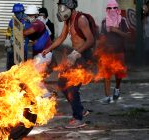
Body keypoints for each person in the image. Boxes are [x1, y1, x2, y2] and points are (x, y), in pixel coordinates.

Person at [42, 0, 94, 128]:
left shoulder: (81, 20)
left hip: (84, 57)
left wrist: (75, 54)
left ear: (70, 6)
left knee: (72, 87)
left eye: (62, 7)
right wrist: (49, 48)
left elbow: (91, 40)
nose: (60, 10)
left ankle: (78, 118)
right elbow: (61, 38)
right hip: (75, 57)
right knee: (62, 83)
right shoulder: (68, 20)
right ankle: (80, 109)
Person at [99, 0, 131, 104]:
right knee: (106, 75)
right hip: (107, 53)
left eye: (114, 8)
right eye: (109, 8)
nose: (112, 10)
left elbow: (128, 35)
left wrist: (116, 30)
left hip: (119, 52)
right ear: (106, 10)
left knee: (119, 74)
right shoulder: (104, 22)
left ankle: (117, 89)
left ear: (118, 9)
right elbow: (102, 36)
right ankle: (107, 96)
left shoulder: (122, 20)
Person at [23, 5, 53, 71]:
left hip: (44, 54)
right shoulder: (32, 24)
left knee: (35, 74)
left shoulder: (38, 24)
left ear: (36, 15)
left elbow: (25, 33)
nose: (29, 17)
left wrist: (18, 28)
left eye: (31, 15)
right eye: (28, 15)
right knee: (34, 73)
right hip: (39, 54)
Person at [5, 3, 30, 70]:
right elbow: (8, 31)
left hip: (23, 47)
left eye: (18, 13)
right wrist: (7, 40)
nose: (16, 14)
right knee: (10, 66)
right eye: (15, 13)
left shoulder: (27, 22)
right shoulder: (12, 21)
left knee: (21, 67)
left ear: (22, 12)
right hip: (12, 47)